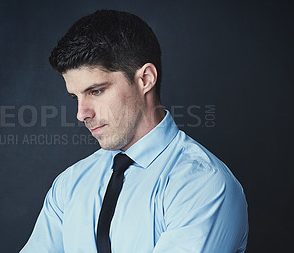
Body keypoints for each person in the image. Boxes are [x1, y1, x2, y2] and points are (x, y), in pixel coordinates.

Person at [20, 9, 248, 253]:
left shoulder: (203, 184)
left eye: (96, 91)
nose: (81, 113)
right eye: (75, 97)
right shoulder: (70, 184)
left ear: (145, 79)